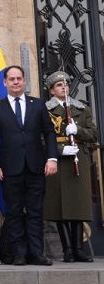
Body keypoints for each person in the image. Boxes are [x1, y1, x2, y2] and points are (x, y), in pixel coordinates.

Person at [0, 65, 58, 266]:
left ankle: (37, 252)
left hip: (36, 167)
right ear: (5, 83)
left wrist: (51, 158)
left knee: (35, 211)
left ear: (25, 81)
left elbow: (49, 132)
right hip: (9, 169)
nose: (16, 82)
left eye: (19, 78)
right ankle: (19, 253)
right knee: (14, 211)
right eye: (12, 79)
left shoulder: (38, 104)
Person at [43, 71, 98, 262]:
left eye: (65, 84)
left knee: (77, 205)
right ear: (51, 90)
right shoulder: (45, 110)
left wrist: (79, 131)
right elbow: (40, 138)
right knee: (60, 206)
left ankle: (78, 249)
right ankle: (67, 249)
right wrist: (59, 150)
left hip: (78, 160)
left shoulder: (82, 109)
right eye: (58, 85)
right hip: (58, 161)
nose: (63, 87)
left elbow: (93, 134)